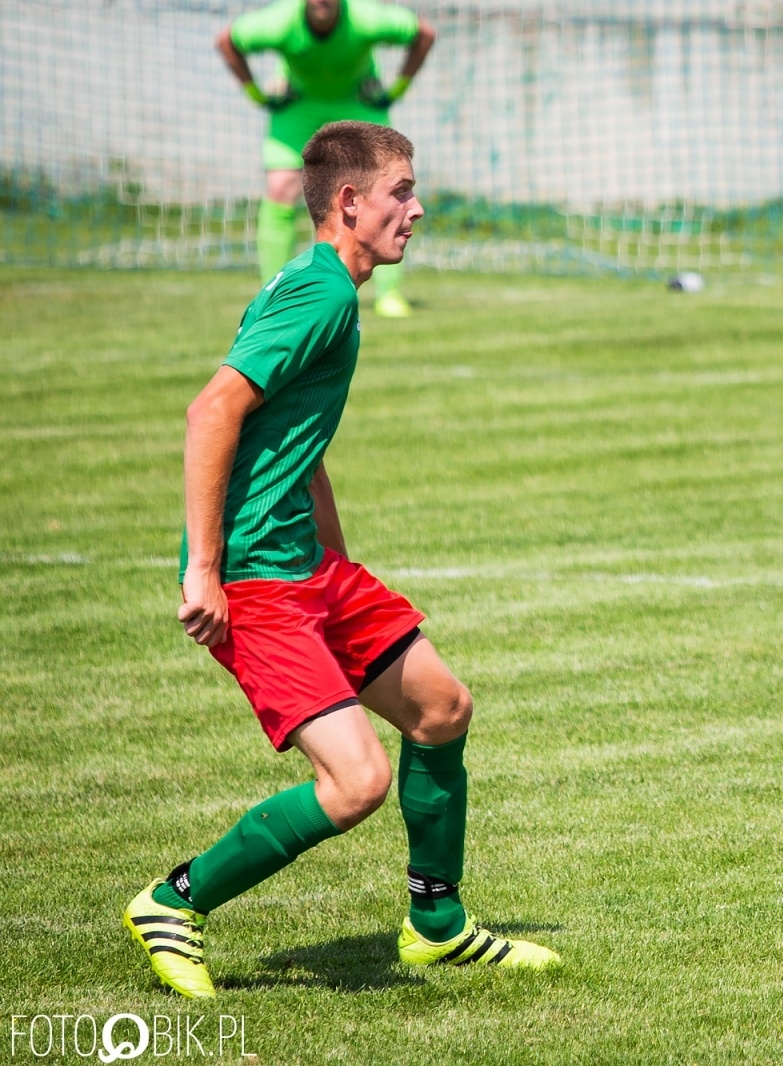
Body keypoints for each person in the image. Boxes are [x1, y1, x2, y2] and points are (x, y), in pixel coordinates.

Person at [123, 122, 558, 1000]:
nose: (418, 208)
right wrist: (202, 569)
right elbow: (213, 413)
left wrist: (342, 569)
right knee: (356, 780)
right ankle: (174, 901)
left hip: (304, 566)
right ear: (349, 203)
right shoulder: (320, 295)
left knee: (440, 707)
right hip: (254, 572)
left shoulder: (326, 290)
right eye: (402, 192)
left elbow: (296, 434)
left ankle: (436, 926)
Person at [217, 0, 435, 318]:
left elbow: (424, 35)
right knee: (280, 189)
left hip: (356, 102)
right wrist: (258, 95)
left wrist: (394, 90)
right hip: (299, 106)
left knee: (389, 188)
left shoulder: (366, 18)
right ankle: (274, 296)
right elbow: (227, 42)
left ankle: (389, 293)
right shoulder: (279, 21)